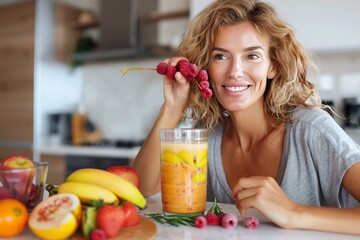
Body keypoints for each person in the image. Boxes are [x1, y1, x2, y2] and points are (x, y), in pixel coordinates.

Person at [132, 0, 360, 235]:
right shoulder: (207, 137)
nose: (235, 72)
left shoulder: (311, 129)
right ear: (205, 67)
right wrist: (173, 107)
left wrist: (293, 212)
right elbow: (141, 190)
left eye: (252, 56)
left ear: (273, 66)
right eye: (220, 56)